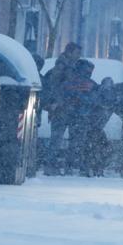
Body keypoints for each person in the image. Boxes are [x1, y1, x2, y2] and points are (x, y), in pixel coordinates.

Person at [40, 42, 82, 174]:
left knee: (60, 139)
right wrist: (57, 102)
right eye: (77, 52)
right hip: (61, 109)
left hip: (68, 107)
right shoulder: (62, 66)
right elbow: (55, 86)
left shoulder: (70, 66)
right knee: (57, 139)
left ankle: (54, 165)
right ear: (69, 52)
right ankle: (51, 165)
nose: (79, 56)